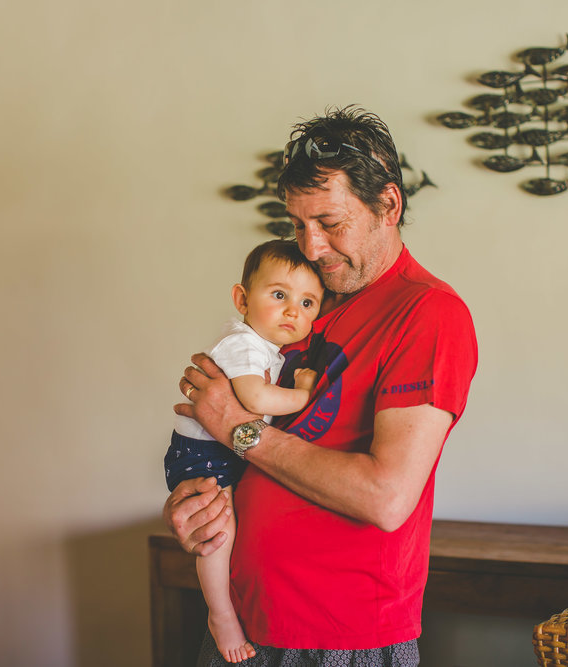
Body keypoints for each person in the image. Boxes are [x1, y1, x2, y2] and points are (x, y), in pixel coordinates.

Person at [166, 106, 478, 667]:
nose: (311, 247)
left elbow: (385, 497)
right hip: (241, 620)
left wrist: (234, 427)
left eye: (331, 224)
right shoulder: (307, 303)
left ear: (388, 205)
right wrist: (199, 505)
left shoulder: (429, 314)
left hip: (338, 638)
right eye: (298, 224)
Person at [165, 239, 325, 663]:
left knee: (224, 527)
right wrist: (302, 394)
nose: (295, 311)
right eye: (279, 295)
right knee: (219, 532)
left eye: (308, 302)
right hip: (204, 455)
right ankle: (220, 616)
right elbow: (254, 399)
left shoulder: (265, 346)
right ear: (242, 298)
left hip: (219, 452)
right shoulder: (242, 343)